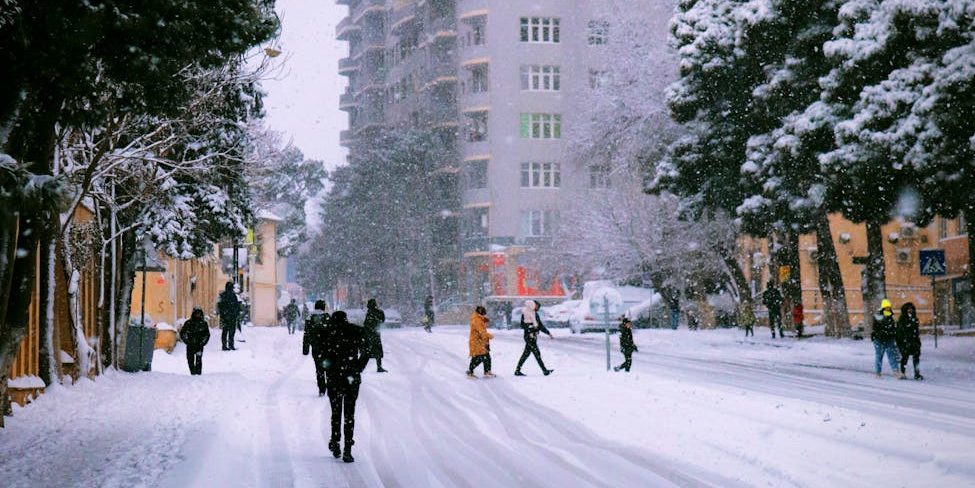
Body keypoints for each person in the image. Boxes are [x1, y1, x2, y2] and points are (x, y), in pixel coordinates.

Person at [323, 311, 369, 463]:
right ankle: (348, 449)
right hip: (351, 377)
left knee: (336, 412)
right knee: (350, 413)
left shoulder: (328, 332)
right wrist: (358, 367)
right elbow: (367, 350)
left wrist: (327, 368)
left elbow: (322, 357)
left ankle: (335, 442)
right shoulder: (356, 331)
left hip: (334, 378)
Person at [515, 300, 554, 376]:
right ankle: (544, 370)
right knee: (536, 354)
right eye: (536, 306)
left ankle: (517, 370)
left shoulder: (535, 314)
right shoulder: (525, 313)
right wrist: (531, 328)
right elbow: (523, 325)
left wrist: (548, 333)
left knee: (526, 354)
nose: (537, 308)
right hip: (529, 336)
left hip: (533, 336)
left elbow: (540, 325)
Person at [303, 300, 331, 396]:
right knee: (328, 368)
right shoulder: (327, 317)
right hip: (328, 348)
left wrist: (306, 349)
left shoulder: (310, 318)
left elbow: (306, 334)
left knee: (319, 369)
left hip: (316, 348)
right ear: (323, 307)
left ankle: (322, 389)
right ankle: (329, 386)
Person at [871, 299, 902, 379]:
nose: (888, 308)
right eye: (886, 307)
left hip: (888, 339)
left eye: (889, 307)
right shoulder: (878, 317)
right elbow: (876, 328)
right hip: (879, 339)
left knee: (891, 356)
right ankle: (878, 373)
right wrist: (884, 333)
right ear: (883, 307)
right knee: (879, 356)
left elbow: (892, 328)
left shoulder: (890, 316)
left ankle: (896, 372)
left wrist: (893, 333)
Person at [179, 308, 211, 375]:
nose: (198, 315)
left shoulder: (203, 323)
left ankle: (198, 374)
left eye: (199, 313)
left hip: (199, 345)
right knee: (190, 360)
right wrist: (187, 341)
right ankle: (193, 373)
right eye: (196, 313)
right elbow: (182, 333)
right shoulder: (188, 323)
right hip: (190, 345)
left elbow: (207, 334)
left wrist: (203, 343)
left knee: (198, 360)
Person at [896, 302, 923, 380]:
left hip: (914, 341)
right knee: (905, 357)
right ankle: (902, 373)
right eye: (909, 309)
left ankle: (917, 374)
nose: (910, 310)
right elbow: (900, 332)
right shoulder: (902, 319)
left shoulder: (915, 319)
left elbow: (916, 331)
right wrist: (903, 341)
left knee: (916, 358)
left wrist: (917, 341)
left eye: (911, 309)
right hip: (905, 342)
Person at [467, 306, 495, 378]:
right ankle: (472, 372)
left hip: (480, 341)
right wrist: (489, 336)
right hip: (477, 342)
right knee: (480, 357)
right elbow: (481, 331)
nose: (484, 315)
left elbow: (482, 329)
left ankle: (486, 371)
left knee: (484, 357)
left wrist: (484, 321)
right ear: (480, 311)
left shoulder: (478, 319)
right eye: (483, 313)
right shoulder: (477, 320)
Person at [363, 298, 388, 373]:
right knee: (377, 352)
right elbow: (382, 320)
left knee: (367, 351)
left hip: (370, 334)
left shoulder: (370, 312)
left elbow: (366, 324)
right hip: (375, 334)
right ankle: (379, 367)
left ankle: (362, 367)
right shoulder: (378, 312)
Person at [218, 282, 240, 350]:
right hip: (232, 317)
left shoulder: (222, 295)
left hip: (225, 317)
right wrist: (236, 314)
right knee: (231, 332)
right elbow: (237, 306)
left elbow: (220, 306)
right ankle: (231, 345)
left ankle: (224, 345)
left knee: (225, 331)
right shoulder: (233, 296)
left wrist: (223, 314)